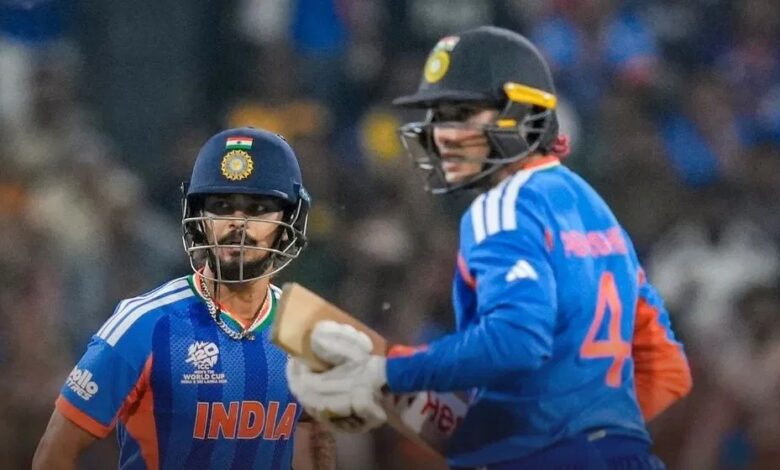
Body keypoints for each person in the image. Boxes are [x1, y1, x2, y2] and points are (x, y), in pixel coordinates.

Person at [286, 26, 692, 469]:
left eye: (462, 113)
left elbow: (517, 342)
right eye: (438, 115)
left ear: (523, 113)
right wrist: (594, 429)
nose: (442, 134)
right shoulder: (593, 208)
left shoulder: (503, 205)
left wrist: (387, 371)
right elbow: (668, 368)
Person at [33, 128, 336, 470]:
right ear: (199, 219)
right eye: (221, 207)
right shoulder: (143, 324)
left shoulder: (307, 330)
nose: (238, 224)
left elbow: (312, 444)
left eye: (259, 208)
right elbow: (53, 455)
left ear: (289, 220)